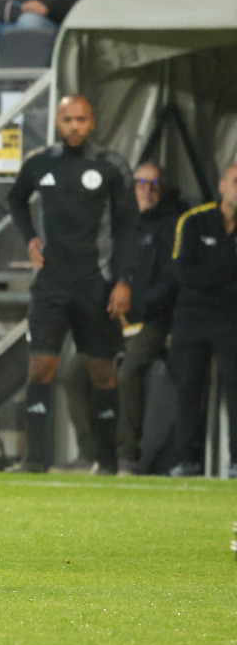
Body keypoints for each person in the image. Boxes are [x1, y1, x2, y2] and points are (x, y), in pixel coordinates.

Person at [6, 95, 137, 474]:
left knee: (101, 371)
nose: (75, 126)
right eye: (68, 119)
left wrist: (123, 280)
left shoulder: (111, 166)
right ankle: (34, 460)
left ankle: (107, 461)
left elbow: (128, 226)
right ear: (57, 123)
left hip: (96, 283)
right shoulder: (40, 162)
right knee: (40, 366)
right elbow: (15, 199)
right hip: (50, 283)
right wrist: (30, 238)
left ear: (92, 121)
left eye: (81, 119)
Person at [166, 163, 237, 477]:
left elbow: (199, 273)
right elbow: (183, 273)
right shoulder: (194, 220)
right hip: (192, 315)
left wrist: (212, 274)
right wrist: (228, 272)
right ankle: (186, 460)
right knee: (189, 385)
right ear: (222, 185)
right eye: (236, 181)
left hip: (232, 317)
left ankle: (235, 461)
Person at [115, 162, 183, 474]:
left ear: (162, 189)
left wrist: (134, 308)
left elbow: (171, 280)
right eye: (141, 183)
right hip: (118, 316)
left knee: (128, 373)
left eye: (154, 184)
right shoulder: (122, 225)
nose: (147, 189)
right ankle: (92, 451)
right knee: (75, 372)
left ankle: (127, 456)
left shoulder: (172, 226)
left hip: (155, 319)